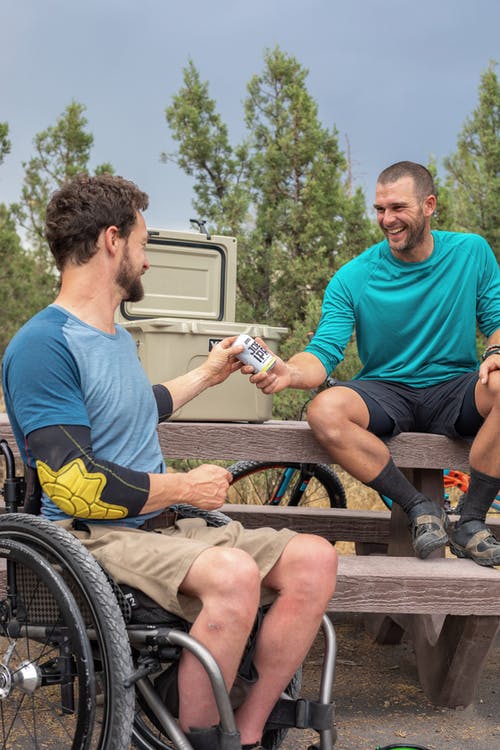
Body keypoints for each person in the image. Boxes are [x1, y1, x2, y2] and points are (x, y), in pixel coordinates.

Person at [1, 173, 338, 750]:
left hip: (159, 530)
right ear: (113, 241)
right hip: (93, 536)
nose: (147, 259)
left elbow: (137, 407)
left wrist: (209, 374)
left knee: (315, 560)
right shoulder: (44, 346)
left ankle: (249, 732)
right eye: (143, 242)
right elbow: (76, 484)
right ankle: (203, 738)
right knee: (233, 578)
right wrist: (183, 484)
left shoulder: (111, 336)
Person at [248, 161, 500, 568]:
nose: (387, 219)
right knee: (324, 409)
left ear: (429, 205)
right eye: (380, 209)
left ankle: (470, 521)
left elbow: (498, 322)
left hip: (455, 387)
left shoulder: (471, 253)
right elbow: (324, 349)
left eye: (398, 207)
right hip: (387, 390)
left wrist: (496, 353)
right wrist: (290, 372)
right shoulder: (355, 276)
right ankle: (419, 508)